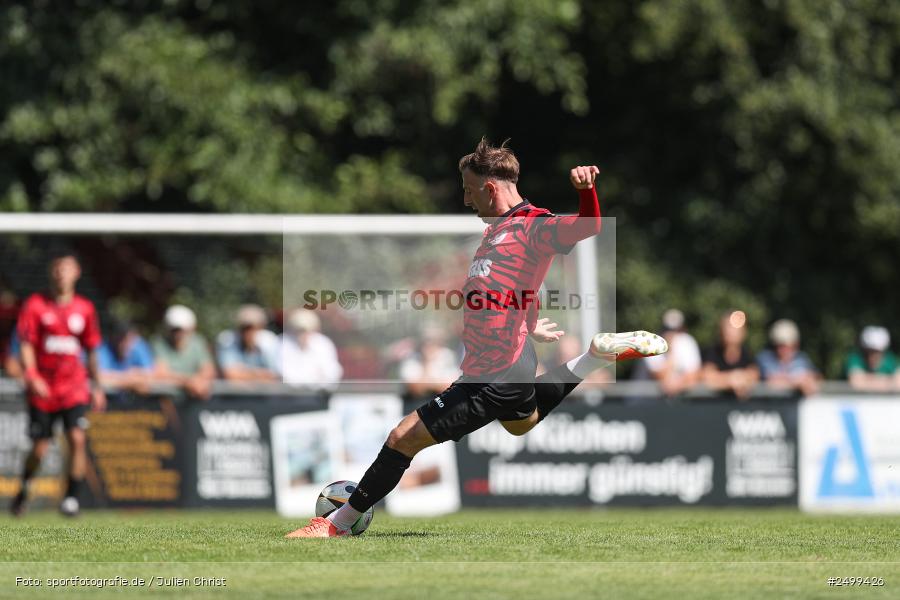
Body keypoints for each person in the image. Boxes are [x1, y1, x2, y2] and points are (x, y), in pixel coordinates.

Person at [285, 138, 667, 538]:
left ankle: (337, 525)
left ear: (489, 188)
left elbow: (588, 226)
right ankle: (594, 356)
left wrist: (586, 191)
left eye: (468, 190)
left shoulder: (532, 224)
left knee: (402, 437)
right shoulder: (495, 231)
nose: (466, 200)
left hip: (495, 371)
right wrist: (529, 320)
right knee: (522, 424)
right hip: (512, 361)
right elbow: (518, 284)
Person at [10, 251, 106, 518]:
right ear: (51, 272)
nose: (61, 273)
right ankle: (24, 488)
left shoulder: (85, 309)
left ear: (77, 273)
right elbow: (26, 343)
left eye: (67, 268)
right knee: (40, 448)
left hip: (73, 388)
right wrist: (32, 375)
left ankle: (71, 500)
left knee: (77, 438)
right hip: (44, 389)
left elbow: (92, 350)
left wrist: (97, 386)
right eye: (57, 268)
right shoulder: (36, 305)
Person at [151, 305, 216, 400]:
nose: (178, 334)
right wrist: (188, 382)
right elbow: (160, 373)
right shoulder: (159, 344)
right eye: (174, 330)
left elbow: (208, 370)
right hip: (167, 401)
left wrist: (198, 383)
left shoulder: (198, 343)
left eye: (180, 330)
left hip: (193, 402)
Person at [634, 309, 701, 397]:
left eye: (675, 330)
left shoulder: (687, 341)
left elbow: (694, 375)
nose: (671, 334)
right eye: (668, 330)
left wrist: (678, 385)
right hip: (646, 403)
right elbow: (659, 376)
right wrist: (670, 353)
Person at [279, 308, 343, 390]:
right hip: (292, 397)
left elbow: (333, 372)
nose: (303, 334)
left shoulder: (323, 343)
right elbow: (287, 376)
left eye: (307, 330)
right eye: (300, 330)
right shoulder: (284, 343)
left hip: (320, 396)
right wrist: (314, 377)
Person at [702, 310, 759, 399]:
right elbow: (707, 376)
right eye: (729, 326)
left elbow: (754, 374)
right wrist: (731, 380)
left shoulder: (747, 353)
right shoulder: (712, 352)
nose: (731, 331)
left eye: (736, 327)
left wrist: (740, 380)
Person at [216, 304, 280, 382]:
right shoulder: (227, 340)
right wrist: (260, 375)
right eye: (245, 328)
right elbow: (230, 375)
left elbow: (274, 376)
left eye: (252, 327)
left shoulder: (269, 341)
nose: (248, 332)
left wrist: (244, 373)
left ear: (260, 326)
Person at [756, 319, 819, 396]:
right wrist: (796, 382)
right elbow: (770, 382)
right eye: (780, 345)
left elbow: (816, 378)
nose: (783, 350)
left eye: (787, 345)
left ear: (796, 344)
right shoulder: (765, 359)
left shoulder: (802, 359)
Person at [399, 326, 461, 400]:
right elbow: (415, 389)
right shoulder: (411, 357)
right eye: (426, 341)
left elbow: (451, 387)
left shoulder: (447, 356)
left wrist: (428, 384)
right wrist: (426, 363)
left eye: (433, 341)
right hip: (416, 403)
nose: (429, 345)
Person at [97, 320, 155, 393]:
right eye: (121, 338)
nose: (125, 343)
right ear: (112, 337)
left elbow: (152, 374)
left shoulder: (139, 345)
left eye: (128, 338)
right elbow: (99, 377)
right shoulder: (102, 348)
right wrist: (131, 380)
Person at [845, 326, 900, 392]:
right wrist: (888, 381)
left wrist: (867, 380)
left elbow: (898, 383)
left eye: (877, 352)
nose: (873, 356)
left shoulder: (890, 360)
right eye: (870, 351)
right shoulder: (855, 358)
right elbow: (856, 383)